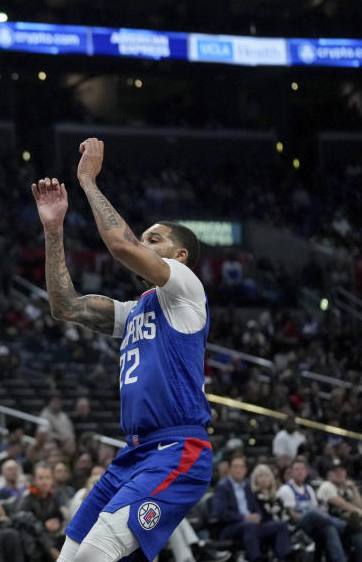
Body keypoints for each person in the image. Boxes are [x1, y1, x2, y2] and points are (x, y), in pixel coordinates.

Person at [32, 140, 214, 562]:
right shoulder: (135, 311)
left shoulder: (187, 289)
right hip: (133, 453)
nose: (144, 242)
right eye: (144, 237)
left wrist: (87, 182)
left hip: (178, 449)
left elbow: (121, 246)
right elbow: (65, 306)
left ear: (180, 256)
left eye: (155, 238)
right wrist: (53, 229)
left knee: (96, 555)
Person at [212, 455, 292, 561]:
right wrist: (244, 518)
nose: (238, 470)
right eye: (235, 467)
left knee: (280, 525)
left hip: (252, 526)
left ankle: (284, 559)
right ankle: (256, 559)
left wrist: (258, 516)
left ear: (245, 470)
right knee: (249, 525)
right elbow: (220, 512)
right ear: (230, 469)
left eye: (241, 467)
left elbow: (257, 507)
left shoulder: (247, 486)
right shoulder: (222, 487)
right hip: (230, 528)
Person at [277, 457, 347, 562]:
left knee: (329, 529)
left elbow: (316, 510)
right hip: (296, 524)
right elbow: (291, 514)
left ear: (306, 472)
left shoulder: (308, 489)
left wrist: (317, 517)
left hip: (313, 524)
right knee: (312, 513)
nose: (300, 472)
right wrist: (310, 516)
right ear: (291, 472)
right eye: (297, 469)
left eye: (302, 469)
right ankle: (344, 526)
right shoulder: (285, 489)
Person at [316, 458, 362, 561]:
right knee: (356, 528)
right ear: (328, 474)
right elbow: (342, 504)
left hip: (350, 525)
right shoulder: (326, 485)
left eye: (342, 470)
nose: (340, 473)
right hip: (332, 524)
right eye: (336, 471)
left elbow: (361, 506)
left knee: (358, 524)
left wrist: (354, 489)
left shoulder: (344, 488)